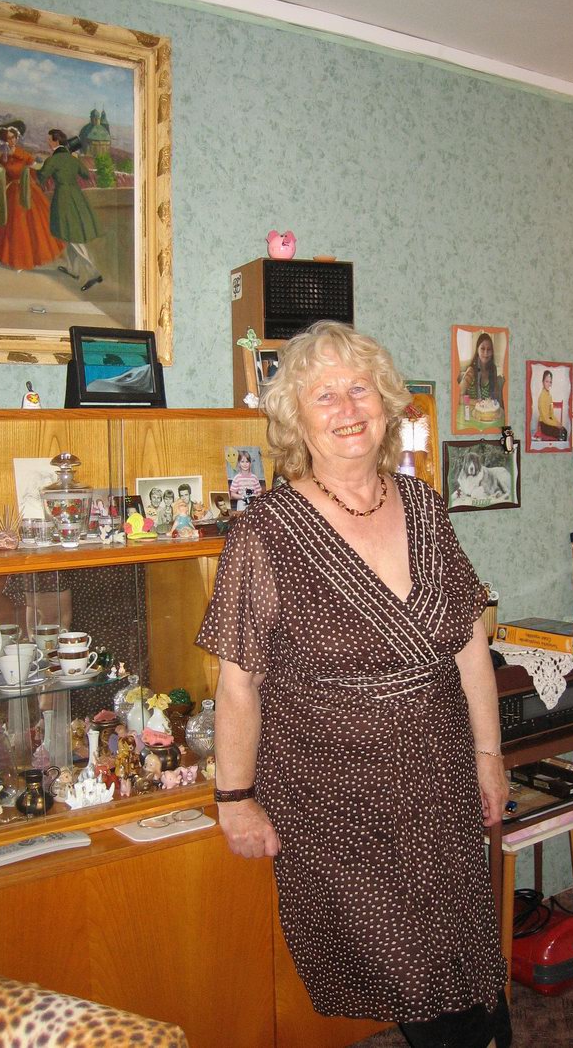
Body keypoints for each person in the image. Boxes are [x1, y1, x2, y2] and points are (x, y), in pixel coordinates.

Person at [196, 321, 511, 1048]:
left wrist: (489, 757)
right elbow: (238, 682)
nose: (347, 408)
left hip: (439, 780)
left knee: (464, 949)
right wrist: (234, 798)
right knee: (413, 977)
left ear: (386, 402)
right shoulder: (265, 531)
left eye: (359, 388)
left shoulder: (425, 506)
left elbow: (470, 644)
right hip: (336, 798)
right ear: (296, 420)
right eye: (324, 395)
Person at [0, 119, 64, 271]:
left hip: (28, 191)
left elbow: (35, 168)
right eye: (8, 138)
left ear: (16, 138)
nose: (11, 141)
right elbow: (4, 177)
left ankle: (31, 257)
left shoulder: (23, 154)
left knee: (33, 225)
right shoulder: (3, 158)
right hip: (12, 193)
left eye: (13, 137)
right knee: (15, 226)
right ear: (3, 140)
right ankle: (16, 258)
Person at [37, 129, 103, 292]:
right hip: (77, 197)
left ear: (56, 142)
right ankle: (73, 270)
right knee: (69, 233)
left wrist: (35, 166)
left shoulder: (53, 159)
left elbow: (41, 177)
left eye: (50, 140)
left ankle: (94, 273)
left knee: (72, 237)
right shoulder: (72, 159)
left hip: (64, 198)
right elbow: (86, 175)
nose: (48, 143)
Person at [459, 333, 502, 403]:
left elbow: (495, 397)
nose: (486, 353)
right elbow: (457, 396)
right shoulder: (471, 370)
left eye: (489, 349)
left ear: (492, 352)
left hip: (487, 409)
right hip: (471, 409)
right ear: (477, 350)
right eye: (482, 349)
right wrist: (475, 402)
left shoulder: (493, 369)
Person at [536, 369, 567, 440]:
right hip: (544, 424)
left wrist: (558, 423)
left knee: (563, 430)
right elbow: (545, 419)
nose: (549, 384)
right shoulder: (542, 397)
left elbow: (552, 414)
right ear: (543, 382)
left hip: (549, 422)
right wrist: (556, 424)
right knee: (562, 433)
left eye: (550, 382)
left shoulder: (549, 396)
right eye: (546, 381)